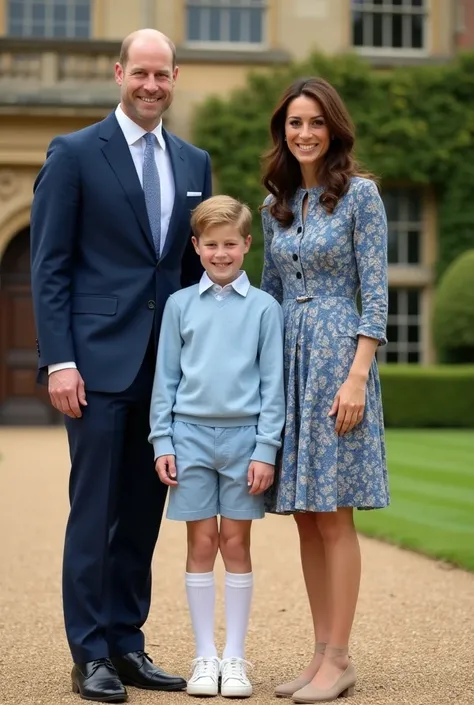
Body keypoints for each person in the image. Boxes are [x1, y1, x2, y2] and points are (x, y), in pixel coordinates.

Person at [30, 28, 212, 703]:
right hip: (98, 362)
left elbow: (195, 272)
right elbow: (49, 266)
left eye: (162, 75)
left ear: (174, 78)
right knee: (95, 510)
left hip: (169, 371)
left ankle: (128, 642)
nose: (151, 86)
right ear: (119, 73)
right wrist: (60, 360)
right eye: (140, 73)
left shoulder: (195, 162)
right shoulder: (76, 153)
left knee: (141, 510)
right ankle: (91, 653)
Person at [260, 77, 389, 703]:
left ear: (333, 127)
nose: (304, 133)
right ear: (282, 132)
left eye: (314, 122)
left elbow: (376, 292)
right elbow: (270, 297)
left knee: (335, 516)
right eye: (293, 123)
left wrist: (358, 375)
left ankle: (340, 659)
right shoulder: (275, 204)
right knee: (306, 519)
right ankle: (318, 657)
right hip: (289, 362)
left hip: (340, 360)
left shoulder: (360, 195)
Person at [148, 195, 285, 699]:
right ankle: (204, 656)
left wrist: (266, 450)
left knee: (237, 544)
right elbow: (166, 380)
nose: (221, 253)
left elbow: (274, 387)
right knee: (201, 543)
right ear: (196, 247)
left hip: (246, 441)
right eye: (211, 244)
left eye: (231, 243)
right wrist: (163, 439)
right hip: (189, 440)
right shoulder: (181, 305)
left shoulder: (266, 309)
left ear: (247, 244)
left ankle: (236, 658)